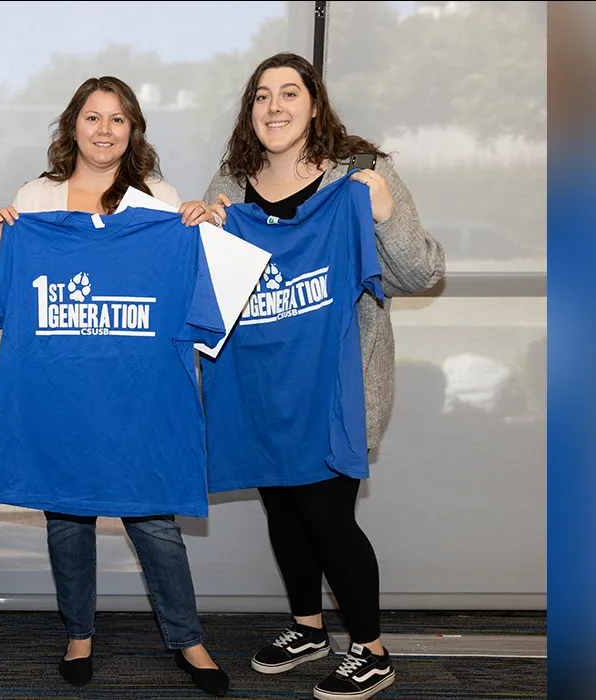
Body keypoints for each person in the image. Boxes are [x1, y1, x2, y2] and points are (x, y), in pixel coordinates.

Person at [198, 52, 445, 700]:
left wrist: (385, 211)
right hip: (260, 383)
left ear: (314, 103)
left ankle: (372, 648)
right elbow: (204, 284)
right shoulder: (232, 182)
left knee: (325, 513)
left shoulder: (361, 173)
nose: (274, 107)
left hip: (337, 383)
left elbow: (421, 274)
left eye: (288, 93)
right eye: (261, 96)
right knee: (282, 503)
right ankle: (308, 626)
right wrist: (202, 229)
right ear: (249, 111)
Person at [0, 76, 228, 696]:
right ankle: (79, 632)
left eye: (117, 120)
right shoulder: (35, 199)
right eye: (92, 118)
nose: (103, 130)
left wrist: (199, 223)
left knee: (154, 521)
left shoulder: (158, 200)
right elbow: (2, 282)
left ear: (132, 130)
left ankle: (188, 636)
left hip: (136, 394)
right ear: (72, 126)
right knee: (67, 516)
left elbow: (195, 288)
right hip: (60, 392)